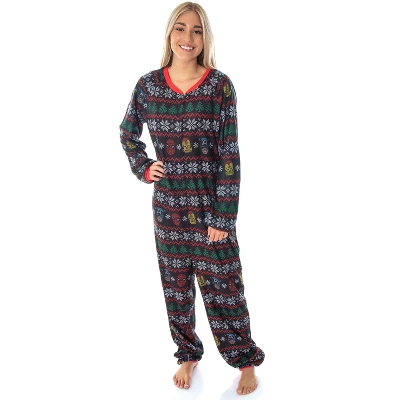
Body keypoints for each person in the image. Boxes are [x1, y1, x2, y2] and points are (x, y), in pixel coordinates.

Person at [119, 2, 265, 395]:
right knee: (176, 287)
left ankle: (245, 360)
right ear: (170, 33)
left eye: (197, 30)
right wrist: (144, 166)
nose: (188, 38)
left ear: (205, 38)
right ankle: (187, 353)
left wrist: (223, 217)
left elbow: (230, 154)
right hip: (168, 211)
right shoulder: (148, 86)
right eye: (181, 28)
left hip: (210, 210)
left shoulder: (220, 86)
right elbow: (127, 133)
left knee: (226, 288)